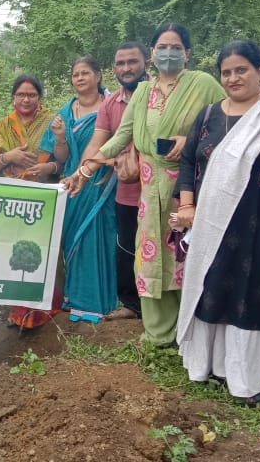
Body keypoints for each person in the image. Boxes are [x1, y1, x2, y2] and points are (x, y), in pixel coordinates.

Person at [173, 40, 260, 407]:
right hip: (210, 226)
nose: (233, 78)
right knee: (212, 289)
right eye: (226, 72)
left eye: (242, 70)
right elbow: (189, 162)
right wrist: (186, 203)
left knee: (250, 296)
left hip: (259, 226)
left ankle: (248, 379)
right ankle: (210, 365)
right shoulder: (207, 116)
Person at [81, 23, 226, 345]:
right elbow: (123, 134)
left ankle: (192, 333)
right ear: (152, 54)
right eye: (162, 47)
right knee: (151, 256)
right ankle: (159, 333)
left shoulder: (202, 84)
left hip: (187, 189)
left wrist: (190, 141)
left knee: (184, 255)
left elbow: (229, 121)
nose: (169, 53)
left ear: (188, 53)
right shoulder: (145, 91)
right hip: (150, 190)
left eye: (176, 47)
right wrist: (89, 165)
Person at [0, 74, 62, 329]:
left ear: (39, 97)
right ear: (13, 97)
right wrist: (8, 158)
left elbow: (64, 160)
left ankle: (47, 308)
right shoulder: (2, 126)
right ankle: (19, 309)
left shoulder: (52, 123)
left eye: (32, 94)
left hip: (42, 199)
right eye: (21, 94)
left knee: (44, 252)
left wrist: (48, 167)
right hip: (11, 202)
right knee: (17, 253)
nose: (26, 99)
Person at [75, 42, 151, 320]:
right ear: (114, 69)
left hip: (161, 190)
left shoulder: (159, 96)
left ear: (147, 63)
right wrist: (80, 172)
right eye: (121, 63)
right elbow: (99, 142)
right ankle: (133, 305)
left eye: (133, 61)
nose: (127, 68)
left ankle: (167, 311)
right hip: (126, 190)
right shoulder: (111, 104)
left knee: (163, 248)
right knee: (127, 248)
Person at [43, 56, 116, 324]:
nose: (80, 79)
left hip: (100, 182)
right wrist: (61, 137)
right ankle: (74, 297)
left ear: (98, 76)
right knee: (73, 239)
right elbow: (60, 156)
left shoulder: (112, 106)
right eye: (75, 75)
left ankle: (99, 300)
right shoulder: (65, 112)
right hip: (72, 183)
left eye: (85, 73)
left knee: (97, 237)